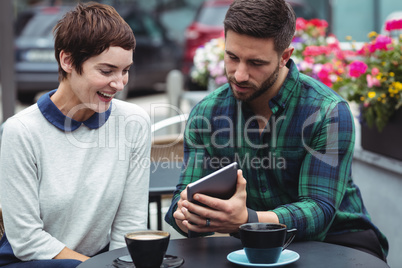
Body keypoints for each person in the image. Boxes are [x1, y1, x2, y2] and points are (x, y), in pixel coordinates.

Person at [165, 0, 388, 262]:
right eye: (232, 57)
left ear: (284, 56)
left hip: (339, 240)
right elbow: (182, 201)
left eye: (256, 62)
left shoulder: (327, 111)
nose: (240, 74)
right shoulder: (207, 114)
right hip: (253, 247)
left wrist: (248, 220)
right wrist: (187, 216)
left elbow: (319, 210)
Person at [0, 2, 150, 267]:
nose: (119, 84)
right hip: (33, 261)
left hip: (100, 261)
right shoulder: (21, 131)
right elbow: (26, 240)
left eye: (125, 70)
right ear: (67, 60)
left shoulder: (134, 123)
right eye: (106, 71)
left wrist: (116, 265)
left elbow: (130, 223)